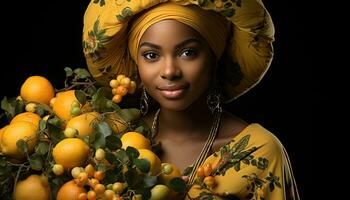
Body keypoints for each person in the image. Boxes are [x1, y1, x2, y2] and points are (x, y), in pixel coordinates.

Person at [82, 0, 300, 199]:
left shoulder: (259, 151)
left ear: (214, 57)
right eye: (151, 55)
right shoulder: (112, 144)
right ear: (137, 65)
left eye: (188, 53)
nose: (169, 71)